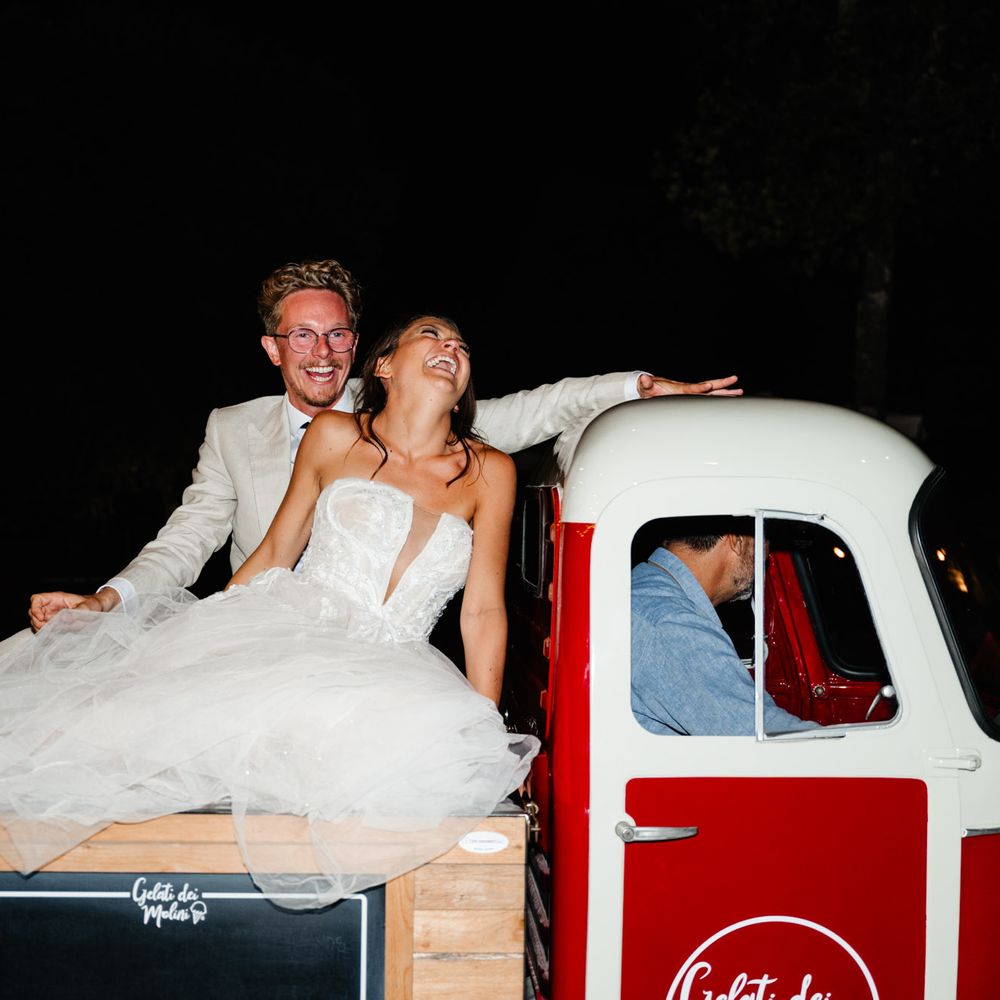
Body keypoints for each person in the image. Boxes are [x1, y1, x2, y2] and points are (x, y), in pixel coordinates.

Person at [0, 313, 540, 910]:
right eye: (432, 335)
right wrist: (199, 636)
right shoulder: (334, 435)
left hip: (397, 674)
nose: (451, 347)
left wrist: (483, 727)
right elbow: (277, 550)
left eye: (461, 345)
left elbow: (482, 611)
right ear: (384, 365)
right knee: (113, 735)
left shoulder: (491, 471)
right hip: (299, 633)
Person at [27, 258, 742, 632]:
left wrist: (638, 387)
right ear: (273, 349)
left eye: (337, 334)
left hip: (374, 670)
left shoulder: (416, 420)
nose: (322, 352)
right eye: (302, 336)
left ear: (360, 348)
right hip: (254, 643)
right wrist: (108, 600)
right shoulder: (231, 428)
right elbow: (186, 541)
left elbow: (543, 406)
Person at [631, 517, 820, 736]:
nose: (766, 558)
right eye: (765, 542)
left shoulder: (643, 591)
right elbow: (763, 736)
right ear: (738, 540)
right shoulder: (672, 627)